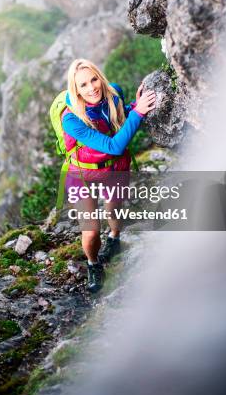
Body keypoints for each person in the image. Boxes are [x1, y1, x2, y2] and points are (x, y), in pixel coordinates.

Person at [61, 58, 156, 292]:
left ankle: (114, 239)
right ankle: (93, 264)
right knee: (91, 230)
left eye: (94, 79)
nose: (92, 87)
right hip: (82, 175)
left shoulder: (114, 94)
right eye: (83, 85)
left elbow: (119, 120)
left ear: (100, 77)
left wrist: (134, 107)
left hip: (113, 169)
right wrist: (139, 113)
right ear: (76, 90)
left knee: (113, 209)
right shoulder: (71, 119)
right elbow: (114, 145)